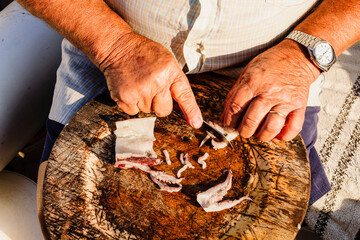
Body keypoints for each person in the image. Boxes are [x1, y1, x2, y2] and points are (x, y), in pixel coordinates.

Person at [15, 0, 360, 206]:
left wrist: (303, 57)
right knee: (69, 204)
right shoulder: (112, 48)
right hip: (106, 51)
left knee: (276, 207)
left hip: (281, 66)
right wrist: (115, 46)